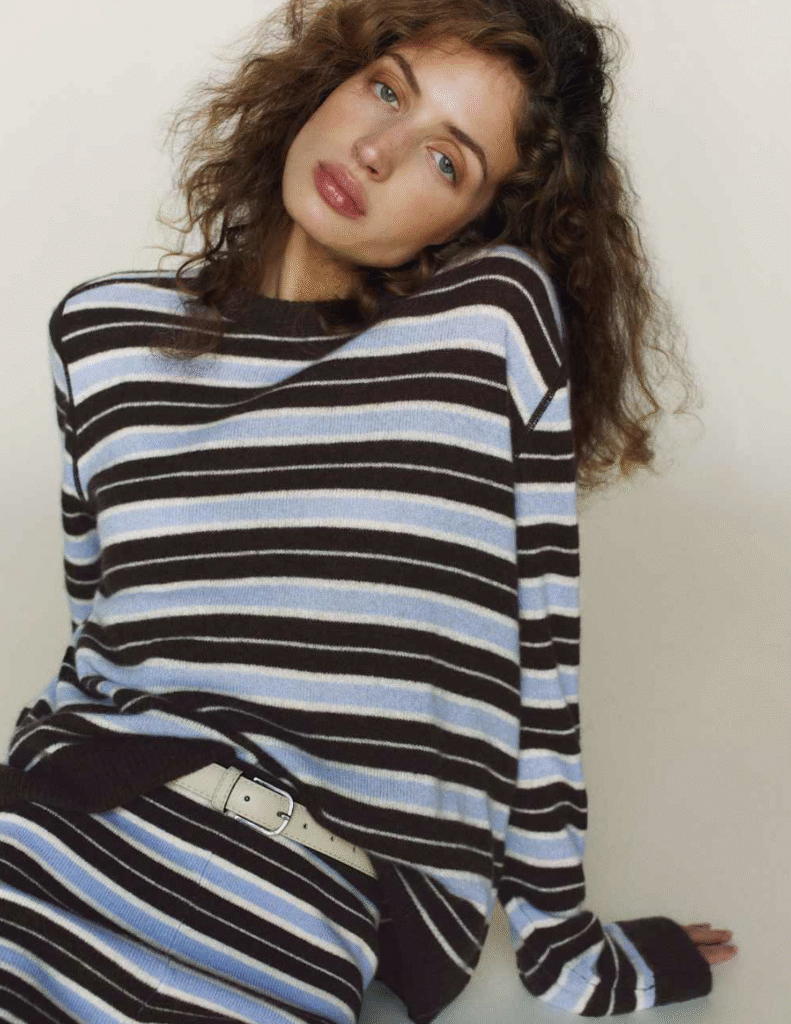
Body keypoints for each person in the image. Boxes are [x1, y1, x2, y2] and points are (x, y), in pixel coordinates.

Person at [0, 0, 736, 1021]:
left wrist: (565, 949)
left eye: (446, 159)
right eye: (386, 89)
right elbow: (102, 633)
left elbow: (537, 660)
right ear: (329, 79)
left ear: (475, 221)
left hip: (286, 910)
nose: (378, 151)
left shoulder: (484, 332)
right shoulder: (103, 335)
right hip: (48, 829)